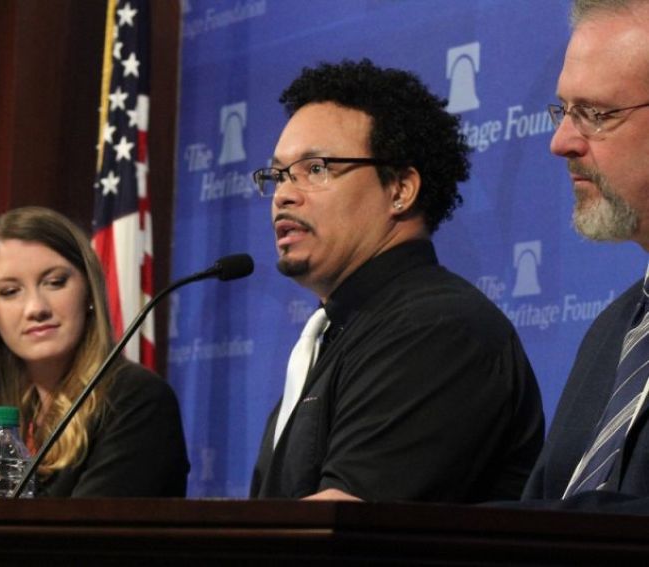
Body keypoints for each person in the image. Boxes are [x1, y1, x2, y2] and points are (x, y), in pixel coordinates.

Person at [249, 59, 544, 502]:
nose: (284, 195)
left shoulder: (436, 329)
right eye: (278, 175)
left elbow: (341, 528)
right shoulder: (338, 335)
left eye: (316, 168)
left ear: (400, 190)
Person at [0, 206, 189, 497]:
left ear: (89, 291)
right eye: (10, 291)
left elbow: (86, 537)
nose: (36, 308)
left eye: (55, 282)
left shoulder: (137, 401)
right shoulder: (10, 418)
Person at [523, 0, 649, 503]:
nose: (561, 142)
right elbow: (542, 519)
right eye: (564, 110)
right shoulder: (614, 330)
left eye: (595, 114)